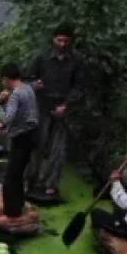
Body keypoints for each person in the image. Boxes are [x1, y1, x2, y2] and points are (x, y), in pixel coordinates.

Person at [25, 23, 85, 200]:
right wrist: (34, 85)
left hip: (63, 108)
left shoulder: (76, 60)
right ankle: (31, 181)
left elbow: (79, 85)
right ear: (53, 39)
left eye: (66, 41)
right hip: (42, 106)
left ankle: (51, 184)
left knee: (58, 150)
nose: (63, 44)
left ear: (71, 41)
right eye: (60, 40)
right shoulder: (41, 57)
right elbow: (27, 79)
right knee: (37, 146)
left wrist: (66, 104)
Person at [0, 62, 38, 226]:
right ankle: (19, 206)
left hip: (21, 138)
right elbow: (21, 114)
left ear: (6, 79)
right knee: (18, 174)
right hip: (30, 135)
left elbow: (7, 118)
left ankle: (12, 214)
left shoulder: (16, 94)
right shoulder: (28, 88)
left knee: (10, 177)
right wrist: (1, 125)